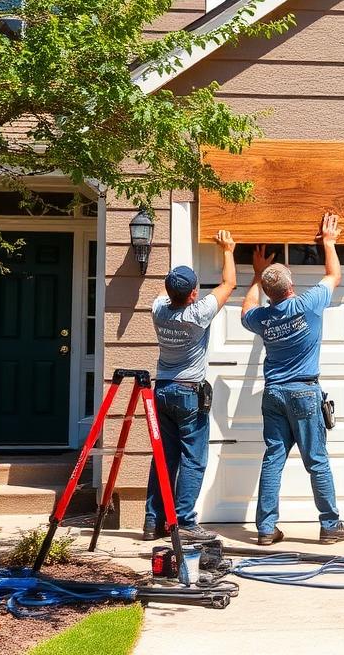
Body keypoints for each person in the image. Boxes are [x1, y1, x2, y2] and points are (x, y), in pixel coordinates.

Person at [240, 212, 344, 546]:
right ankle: (330, 526)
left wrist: (256, 276)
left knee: (273, 458)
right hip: (304, 392)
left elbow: (245, 309)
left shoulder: (262, 318)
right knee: (316, 460)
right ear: (290, 286)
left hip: (274, 393)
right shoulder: (307, 304)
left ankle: (265, 529)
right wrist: (328, 243)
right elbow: (334, 275)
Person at [144, 229, 237, 542]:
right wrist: (228, 248)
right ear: (194, 294)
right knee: (193, 460)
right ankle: (184, 522)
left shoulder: (158, 310)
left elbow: (166, 292)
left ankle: (152, 521)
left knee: (164, 459)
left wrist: (176, 280)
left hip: (163, 391)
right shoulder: (197, 314)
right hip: (187, 394)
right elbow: (229, 284)